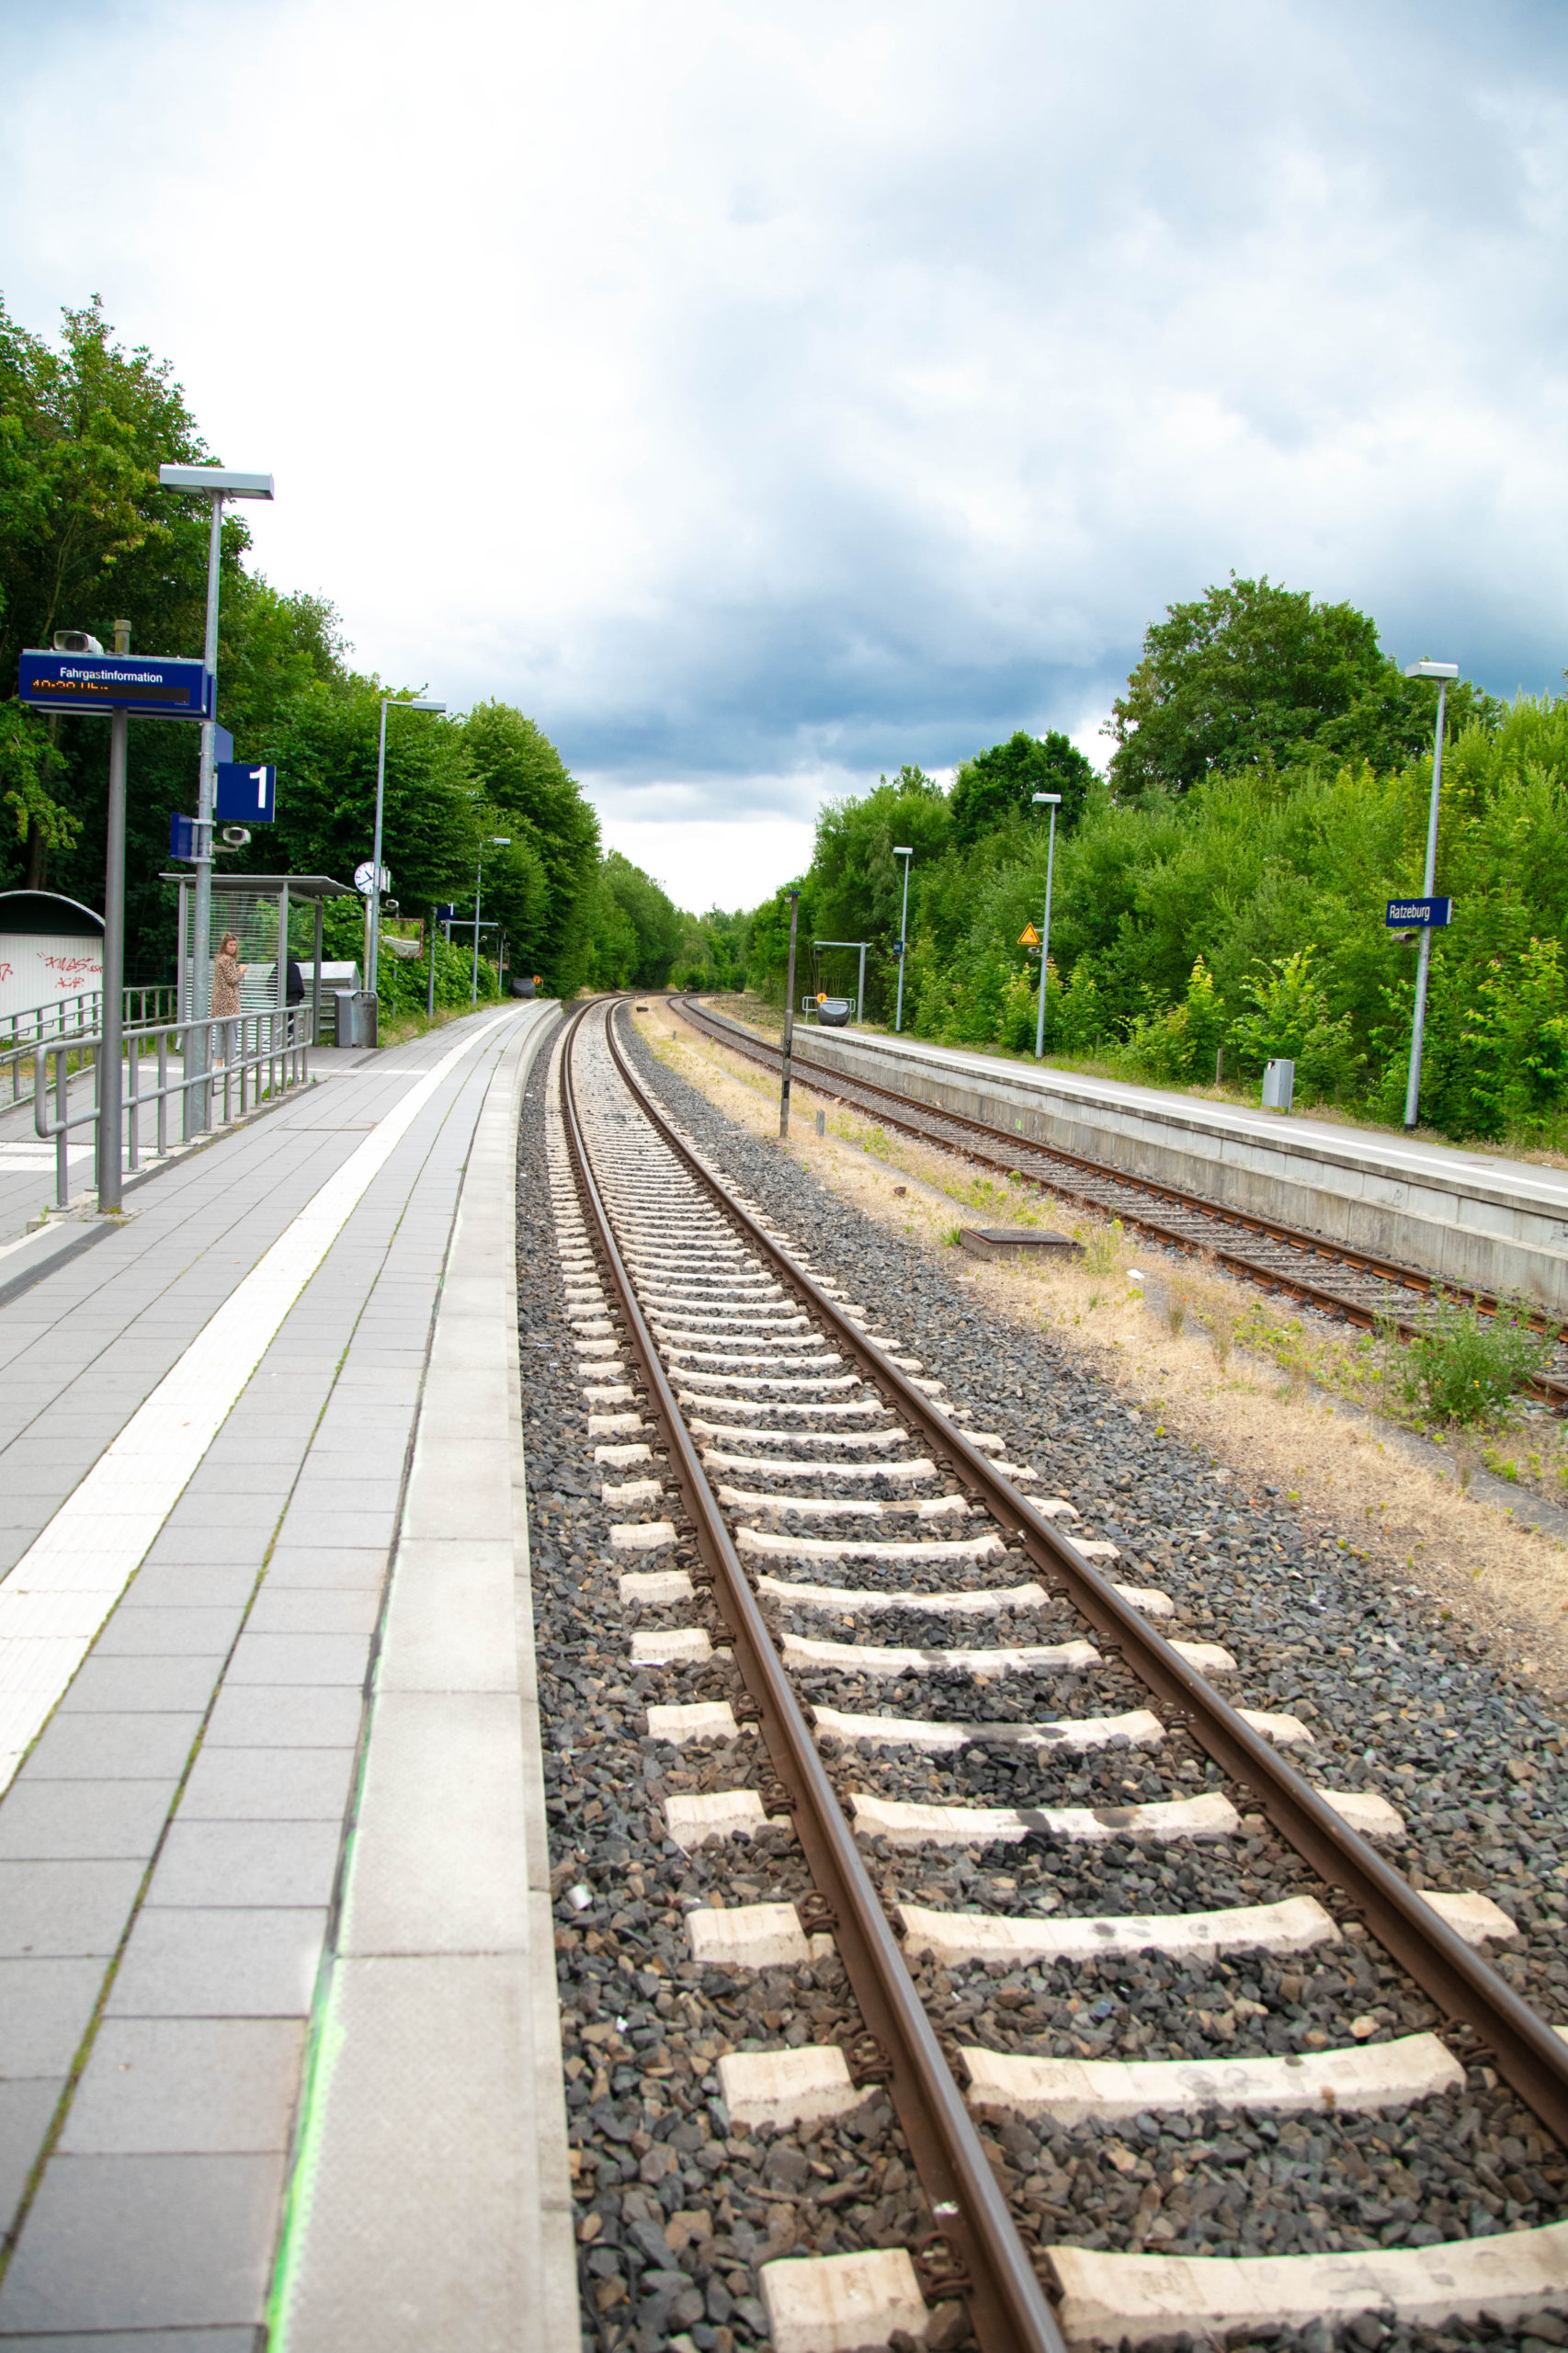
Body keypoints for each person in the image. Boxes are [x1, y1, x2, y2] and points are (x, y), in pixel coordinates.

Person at [210, 932, 245, 1062]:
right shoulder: (227, 959)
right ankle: (231, 1060)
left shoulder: (220, 959)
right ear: (224, 945)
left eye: (235, 945)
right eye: (230, 945)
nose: (233, 947)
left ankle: (219, 1061)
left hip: (219, 1001)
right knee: (231, 1032)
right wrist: (241, 971)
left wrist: (236, 970)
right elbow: (231, 979)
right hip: (229, 1002)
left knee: (220, 1032)